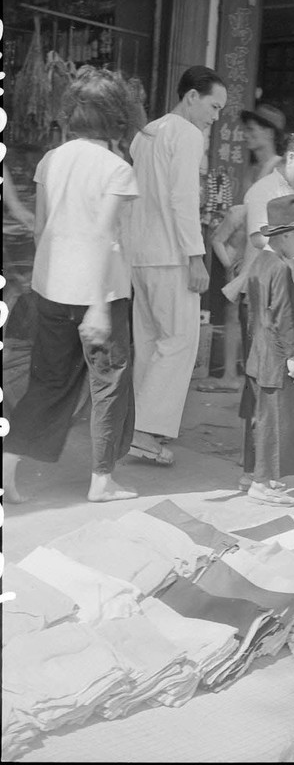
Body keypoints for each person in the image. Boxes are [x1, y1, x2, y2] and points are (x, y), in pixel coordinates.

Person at [3, 67, 142, 503]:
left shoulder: (52, 159)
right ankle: (102, 481)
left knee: (48, 382)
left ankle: (7, 470)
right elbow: (104, 235)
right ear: (116, 115)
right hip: (99, 294)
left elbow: (42, 227)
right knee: (109, 383)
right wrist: (99, 307)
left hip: (52, 289)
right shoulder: (117, 169)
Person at [128, 65, 227, 465]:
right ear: (191, 97)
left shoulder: (145, 133)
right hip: (170, 255)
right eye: (214, 106)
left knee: (150, 343)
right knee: (178, 343)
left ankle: (135, 426)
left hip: (141, 255)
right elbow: (182, 200)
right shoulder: (187, 134)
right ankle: (143, 433)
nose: (215, 117)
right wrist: (196, 256)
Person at [228, 127, 294, 490]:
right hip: (265, 299)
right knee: (267, 388)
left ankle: (262, 470)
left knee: (278, 390)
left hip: (291, 293)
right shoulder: (264, 191)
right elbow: (262, 237)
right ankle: (257, 470)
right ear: (291, 158)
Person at [199, 104, 288, 393]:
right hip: (243, 251)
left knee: (259, 315)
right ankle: (229, 375)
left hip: (264, 250)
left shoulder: (279, 167)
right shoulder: (252, 168)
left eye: (252, 130)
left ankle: (259, 377)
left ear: (269, 132)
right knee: (233, 311)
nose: (247, 136)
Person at [244, 195, 294, 506]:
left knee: (261, 420)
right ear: (286, 235)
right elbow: (283, 316)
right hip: (276, 359)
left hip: (259, 355)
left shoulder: (260, 263)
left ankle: (255, 476)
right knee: (274, 424)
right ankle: (260, 485)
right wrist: (292, 356)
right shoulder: (279, 268)